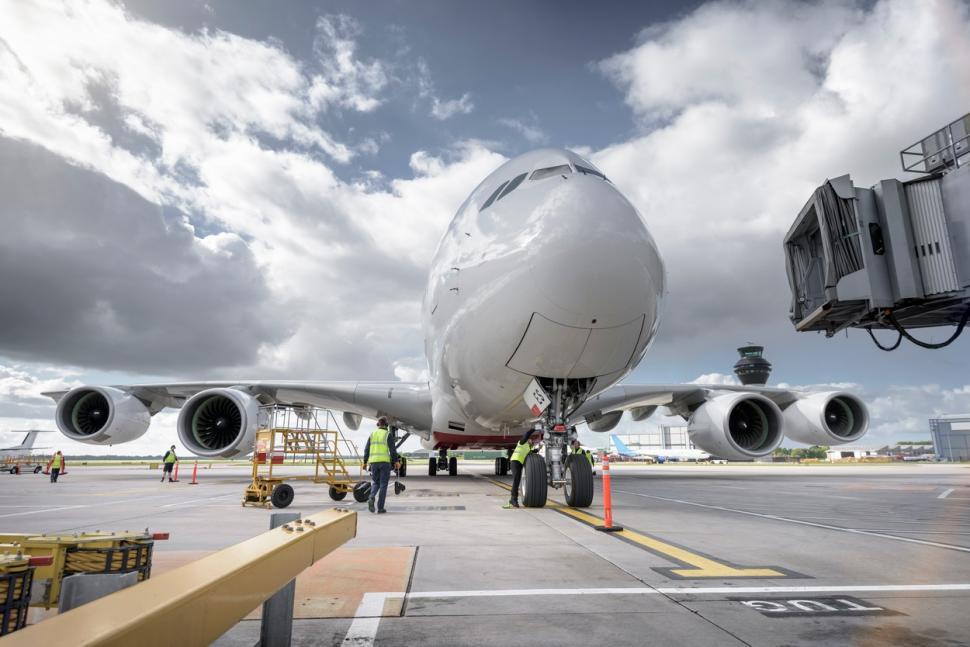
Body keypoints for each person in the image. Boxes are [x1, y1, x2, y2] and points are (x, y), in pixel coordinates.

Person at [362, 417, 399, 514]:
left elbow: (366, 450)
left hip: (373, 463)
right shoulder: (387, 434)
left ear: (378, 425)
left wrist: (365, 462)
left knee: (375, 482)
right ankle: (380, 508)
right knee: (383, 485)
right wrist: (396, 461)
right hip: (384, 463)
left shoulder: (372, 434)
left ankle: (371, 497)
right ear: (386, 425)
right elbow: (392, 450)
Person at [504, 428, 541, 509]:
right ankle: (513, 499)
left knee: (517, 481)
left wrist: (539, 448)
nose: (531, 440)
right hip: (515, 461)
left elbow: (533, 452)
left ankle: (513, 499)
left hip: (519, 463)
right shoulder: (522, 442)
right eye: (530, 439)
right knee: (516, 481)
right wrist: (533, 429)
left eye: (532, 441)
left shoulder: (528, 448)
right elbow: (527, 434)